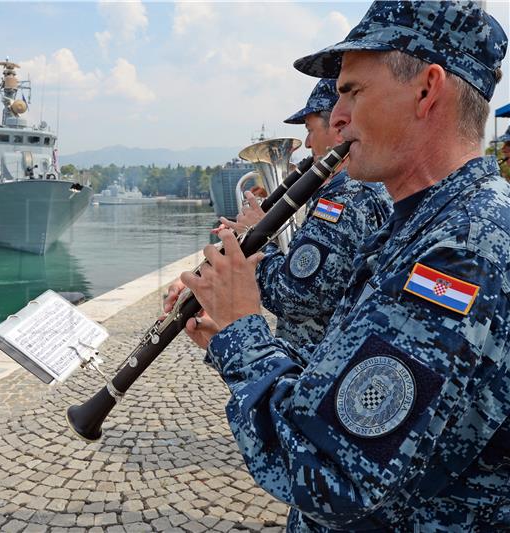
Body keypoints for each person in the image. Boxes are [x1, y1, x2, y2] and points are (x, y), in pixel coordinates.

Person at [182, 1, 509, 530]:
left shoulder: (462, 250)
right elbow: (336, 384)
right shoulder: (425, 222)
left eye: (352, 91)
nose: (336, 118)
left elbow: (333, 470)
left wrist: (243, 329)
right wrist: (224, 335)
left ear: (427, 89)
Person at [166, 78, 393, 349]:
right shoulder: (348, 191)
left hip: (318, 360)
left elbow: (294, 296)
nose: (307, 143)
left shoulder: (346, 198)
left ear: (338, 128)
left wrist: (256, 241)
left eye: (310, 130)